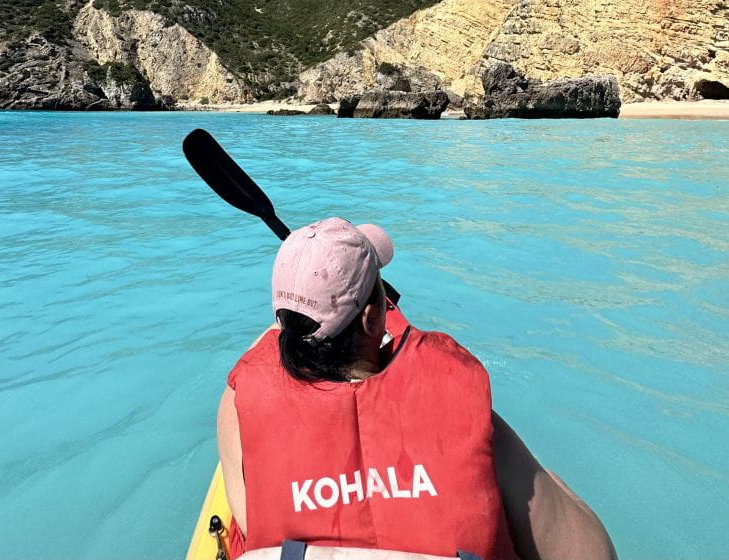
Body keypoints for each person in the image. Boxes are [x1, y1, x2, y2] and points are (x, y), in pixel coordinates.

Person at [218, 218, 616, 560]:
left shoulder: (243, 402)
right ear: (375, 318)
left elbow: (265, 358)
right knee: (549, 486)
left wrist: (294, 324)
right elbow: (594, 553)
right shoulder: (460, 412)